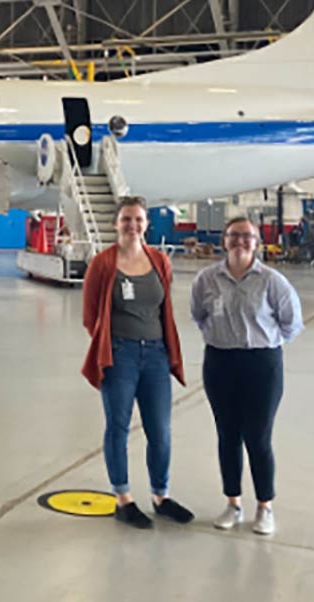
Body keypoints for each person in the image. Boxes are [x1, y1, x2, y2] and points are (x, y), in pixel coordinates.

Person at [81, 196, 194, 529]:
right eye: (126, 219)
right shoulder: (103, 263)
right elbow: (90, 316)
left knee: (160, 429)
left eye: (138, 220)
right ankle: (123, 499)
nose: (132, 225)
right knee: (118, 427)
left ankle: (161, 495)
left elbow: (163, 306)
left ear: (147, 224)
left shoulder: (160, 260)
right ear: (116, 223)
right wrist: (111, 346)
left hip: (156, 355)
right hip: (120, 354)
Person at [190, 217, 304, 536]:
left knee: (258, 436)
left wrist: (262, 341)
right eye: (234, 236)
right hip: (220, 362)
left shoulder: (272, 281)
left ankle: (265, 507)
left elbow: (291, 323)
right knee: (227, 436)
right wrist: (224, 339)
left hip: (262, 365)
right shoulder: (206, 280)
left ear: (257, 242)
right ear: (224, 240)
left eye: (247, 237)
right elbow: (198, 315)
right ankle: (233, 503)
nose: (240, 241)